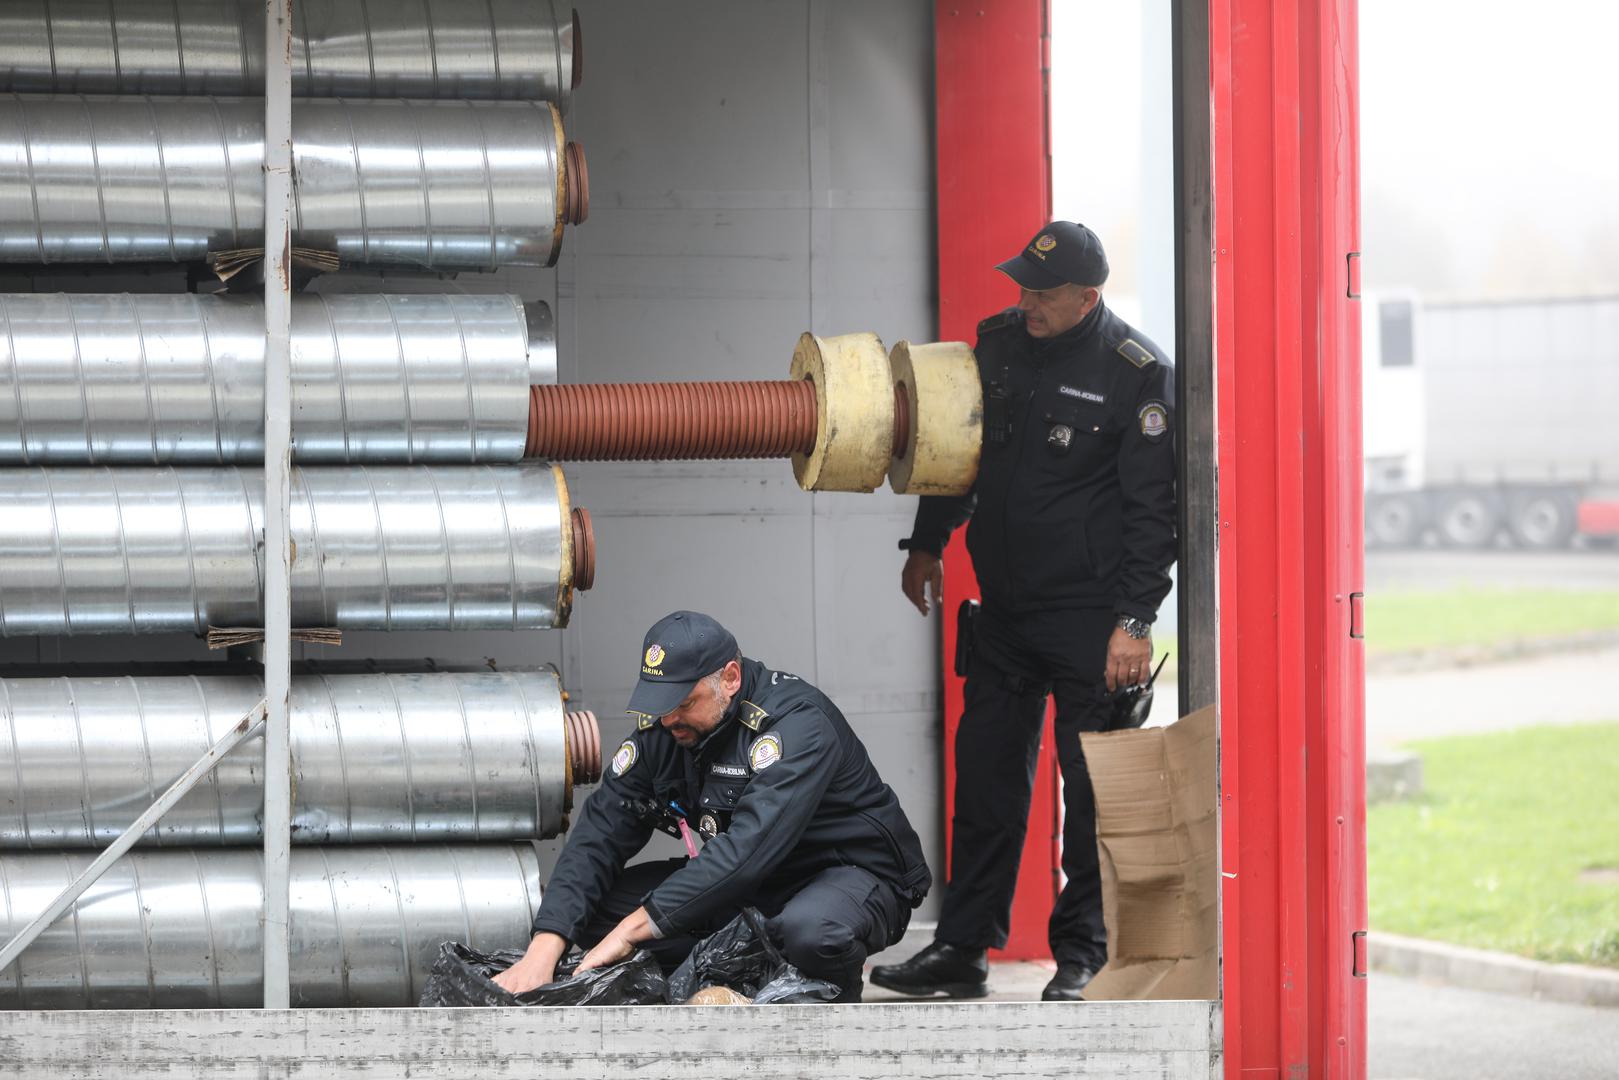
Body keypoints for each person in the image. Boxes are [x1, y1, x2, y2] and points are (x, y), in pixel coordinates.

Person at [870, 221, 1177, 1002]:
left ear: (1087, 297)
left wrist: (1134, 622)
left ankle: (1084, 956)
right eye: (1021, 287)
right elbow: (958, 452)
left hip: (1089, 621)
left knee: (1092, 793)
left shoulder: (1135, 375)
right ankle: (962, 948)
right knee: (985, 789)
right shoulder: (998, 344)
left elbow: (1153, 514)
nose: (1024, 301)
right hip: (1005, 613)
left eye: (1040, 292)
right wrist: (927, 543)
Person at [493, 610, 932, 1002]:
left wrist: (630, 932)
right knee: (589, 913)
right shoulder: (666, 732)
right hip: (752, 885)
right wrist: (543, 950)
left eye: (684, 703)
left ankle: (823, 1000)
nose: (668, 720)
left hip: (849, 876)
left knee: (810, 934)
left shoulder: (796, 724)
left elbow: (746, 852)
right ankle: (738, 974)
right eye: (659, 704)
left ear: (731, 679)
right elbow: (597, 837)